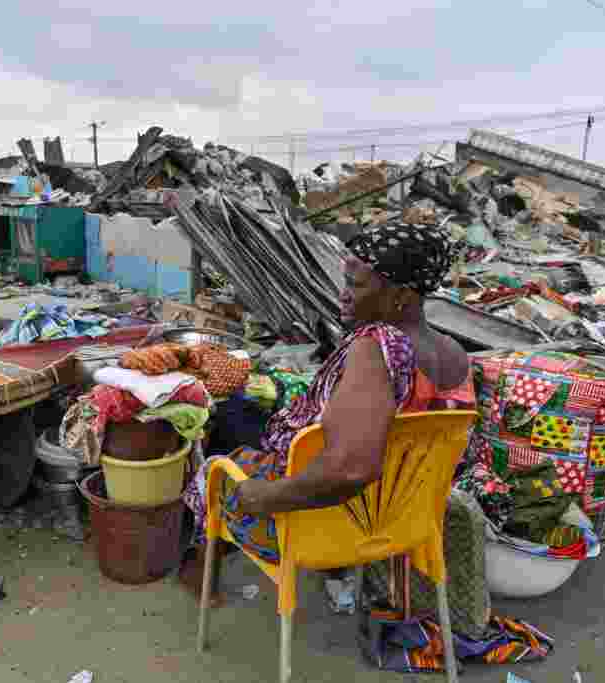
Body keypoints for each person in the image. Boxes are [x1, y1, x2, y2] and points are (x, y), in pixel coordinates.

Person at [179, 223, 476, 605]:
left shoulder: (376, 349)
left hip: (338, 515)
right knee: (245, 411)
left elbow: (351, 470)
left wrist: (265, 496)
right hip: (405, 512)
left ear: (400, 295)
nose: (344, 295)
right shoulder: (453, 353)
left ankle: (202, 570)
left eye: (356, 285)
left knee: (221, 450)